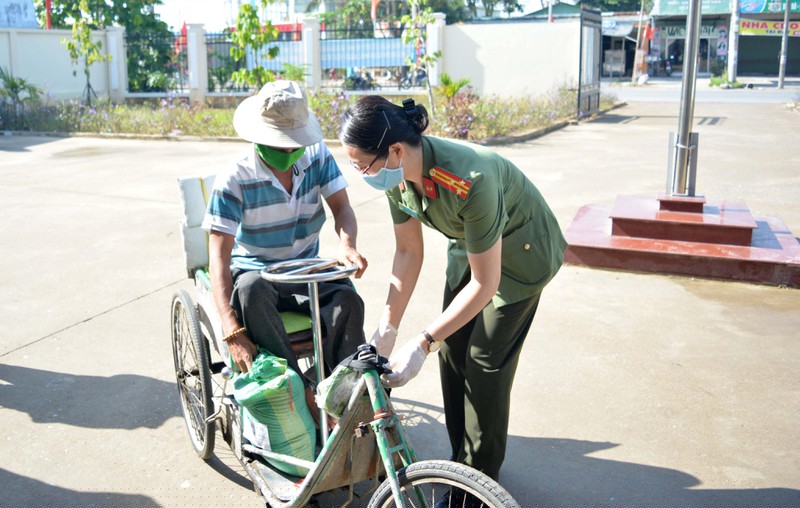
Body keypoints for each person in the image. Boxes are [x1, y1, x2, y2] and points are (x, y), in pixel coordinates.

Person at [339, 96, 566, 486]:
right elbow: (408, 252)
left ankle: (480, 478)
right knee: (452, 352)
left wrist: (424, 340)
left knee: (483, 360)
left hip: (522, 255)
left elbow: (486, 284)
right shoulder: (397, 175)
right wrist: (388, 328)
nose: (361, 173)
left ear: (394, 150)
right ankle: (460, 462)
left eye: (363, 164)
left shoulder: (471, 179)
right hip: (473, 249)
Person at [202, 80, 368, 392]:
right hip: (256, 272)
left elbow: (342, 208)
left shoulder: (317, 157)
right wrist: (230, 328)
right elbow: (219, 256)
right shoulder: (234, 178)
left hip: (304, 269)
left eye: (296, 144)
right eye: (281, 146)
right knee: (251, 288)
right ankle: (296, 391)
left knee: (347, 300)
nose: (291, 152)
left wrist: (348, 246)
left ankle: (342, 393)